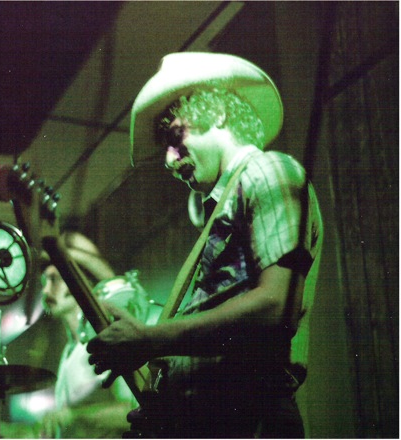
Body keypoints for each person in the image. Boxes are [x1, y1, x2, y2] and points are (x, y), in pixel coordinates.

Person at [87, 52, 323, 438]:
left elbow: (276, 306)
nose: (168, 160)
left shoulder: (267, 169)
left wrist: (149, 339)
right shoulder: (221, 209)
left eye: (174, 137)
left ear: (216, 113)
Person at [38, 231, 150, 438]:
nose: (45, 291)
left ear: (83, 282)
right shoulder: (68, 351)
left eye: (54, 279)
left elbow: (138, 408)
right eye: (45, 281)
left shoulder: (108, 340)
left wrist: (76, 416)